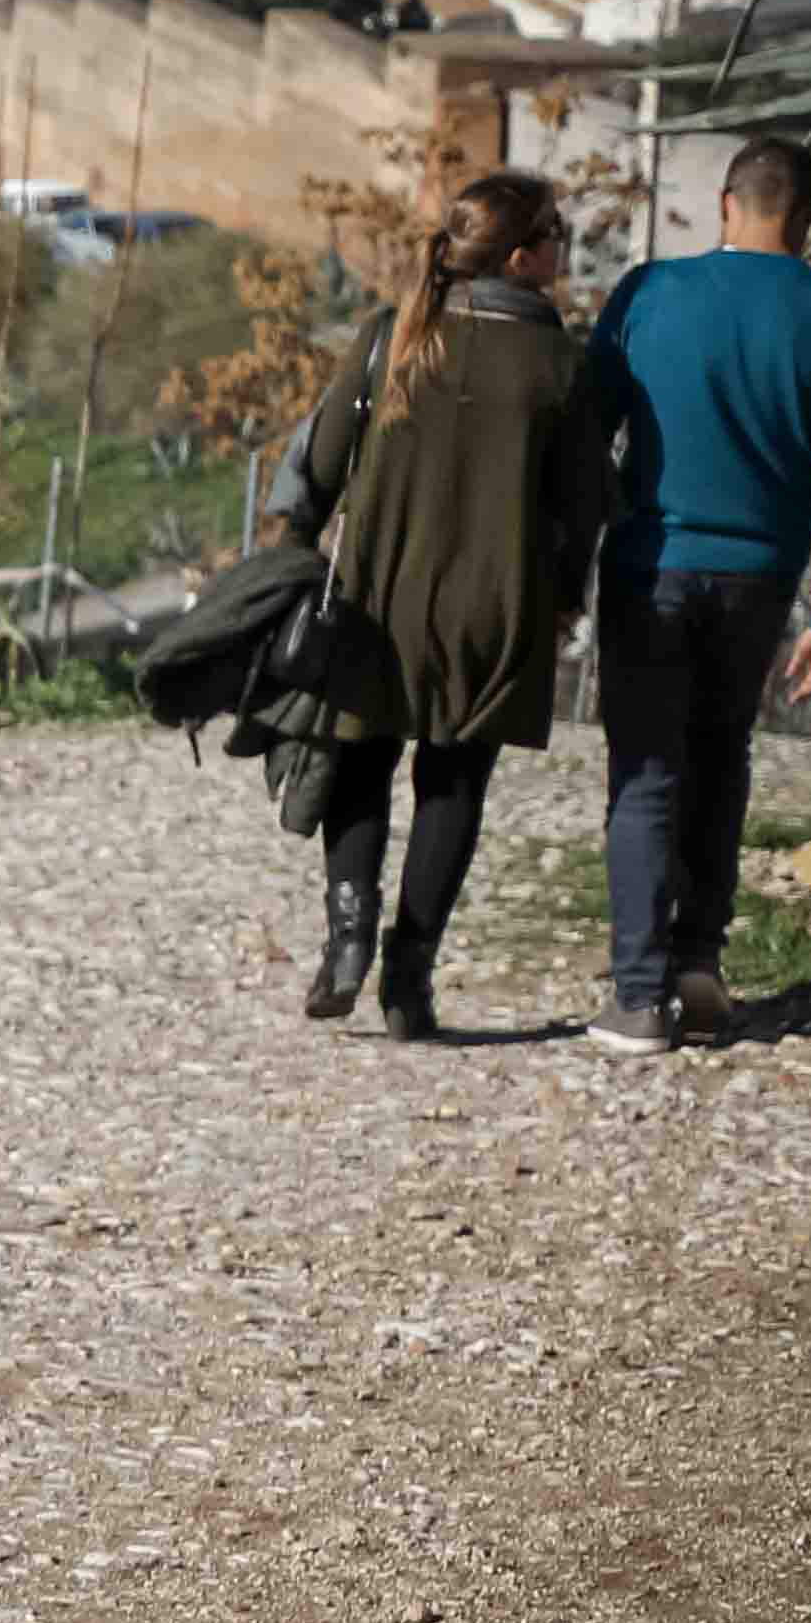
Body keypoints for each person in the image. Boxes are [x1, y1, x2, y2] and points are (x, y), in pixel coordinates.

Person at [282, 168, 616, 1042]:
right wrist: (564, 599)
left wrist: (290, 560)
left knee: (360, 761)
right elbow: (584, 501)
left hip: (377, 590)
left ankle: (347, 939)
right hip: (497, 603)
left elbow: (321, 464)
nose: (564, 251)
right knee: (454, 782)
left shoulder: (390, 335)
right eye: (557, 235)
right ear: (522, 256)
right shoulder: (558, 361)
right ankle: (410, 979)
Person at [580, 139, 811, 1053]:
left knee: (646, 769)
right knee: (721, 757)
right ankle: (699, 967)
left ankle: (639, 995)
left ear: (725, 202)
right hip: (762, 577)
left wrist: (566, 560)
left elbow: (584, 431)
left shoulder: (648, 293)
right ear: (810, 217)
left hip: (651, 565)